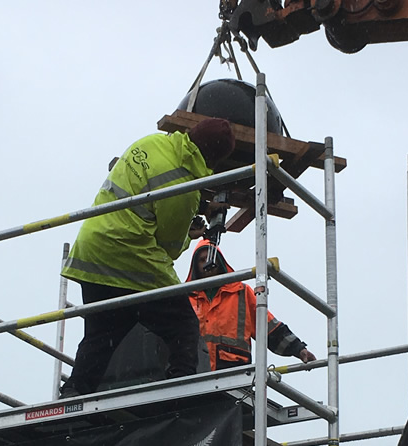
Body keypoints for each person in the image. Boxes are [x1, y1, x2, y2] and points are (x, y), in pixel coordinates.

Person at [59, 118, 236, 397]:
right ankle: (179, 392)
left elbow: (152, 189)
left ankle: (73, 393)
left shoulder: (153, 143)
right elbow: (168, 247)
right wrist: (189, 234)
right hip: (130, 257)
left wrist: (199, 205)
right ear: (213, 159)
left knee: (101, 335)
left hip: (93, 250)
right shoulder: (184, 192)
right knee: (183, 327)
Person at [186, 239, 317, 370]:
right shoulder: (187, 299)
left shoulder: (241, 293)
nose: (207, 264)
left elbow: (269, 328)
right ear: (195, 266)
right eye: (202, 260)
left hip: (234, 373)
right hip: (196, 373)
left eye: (211, 259)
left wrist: (299, 350)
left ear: (220, 261)